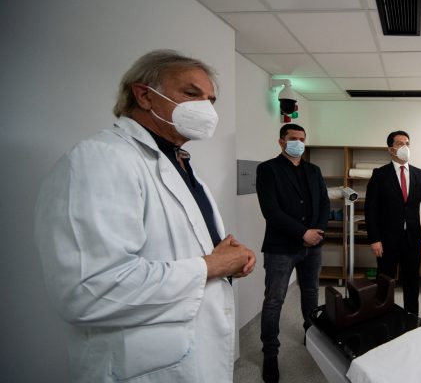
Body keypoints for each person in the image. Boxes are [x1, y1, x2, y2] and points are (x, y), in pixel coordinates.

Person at [33, 50, 257, 383]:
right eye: (192, 93)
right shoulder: (100, 159)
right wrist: (212, 265)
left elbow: (182, 246)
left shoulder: (177, 162)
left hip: (191, 345)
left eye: (210, 100)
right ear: (144, 95)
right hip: (143, 365)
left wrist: (228, 258)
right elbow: (88, 290)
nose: (206, 109)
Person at [256, 123, 330, 383]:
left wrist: (317, 231)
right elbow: (271, 211)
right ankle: (270, 353)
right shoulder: (268, 169)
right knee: (274, 299)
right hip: (281, 247)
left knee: (311, 292)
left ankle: (311, 335)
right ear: (281, 141)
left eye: (302, 138)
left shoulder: (313, 170)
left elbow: (324, 202)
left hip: (314, 245)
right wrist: (302, 233)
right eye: (293, 138)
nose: (298, 142)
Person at [365, 130, 421, 316]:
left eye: (407, 143)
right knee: (385, 280)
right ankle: (384, 318)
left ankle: (412, 318)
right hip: (386, 239)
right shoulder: (379, 175)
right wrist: (374, 239)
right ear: (390, 149)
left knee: (412, 280)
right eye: (400, 144)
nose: (405, 147)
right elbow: (371, 209)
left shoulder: (419, 174)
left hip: (412, 237)